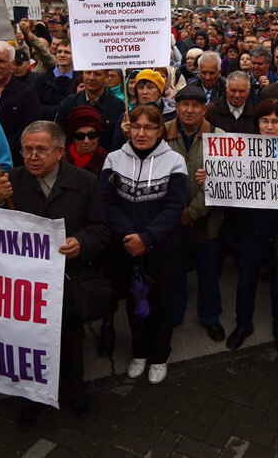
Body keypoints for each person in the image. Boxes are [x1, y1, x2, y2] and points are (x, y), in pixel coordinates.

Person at [0, 121, 110, 427]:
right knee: (27, 340)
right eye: (27, 149)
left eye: (41, 149)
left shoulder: (85, 182)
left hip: (65, 278)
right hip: (23, 280)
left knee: (67, 337)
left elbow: (102, 229)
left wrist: (81, 243)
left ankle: (74, 390)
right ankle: (33, 396)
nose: (33, 156)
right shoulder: (10, 182)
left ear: (59, 152)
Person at [99, 105, 188, 385]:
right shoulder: (113, 158)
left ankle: (160, 354)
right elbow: (108, 202)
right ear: (129, 128)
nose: (141, 133)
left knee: (161, 304)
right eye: (136, 126)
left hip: (161, 249)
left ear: (160, 130)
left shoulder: (174, 161)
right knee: (134, 302)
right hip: (125, 247)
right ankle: (140, 351)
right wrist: (129, 236)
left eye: (149, 127)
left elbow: (175, 207)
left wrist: (147, 239)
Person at [224, 99, 278, 353]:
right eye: (264, 121)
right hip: (248, 230)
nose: (269, 126)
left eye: (275, 121)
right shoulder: (242, 151)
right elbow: (228, 185)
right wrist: (211, 176)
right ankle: (243, 325)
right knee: (245, 283)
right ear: (257, 124)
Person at [165, 86, 226, 340]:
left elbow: (222, 181)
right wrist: (174, 212)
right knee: (174, 271)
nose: (189, 110)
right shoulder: (162, 133)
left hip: (207, 220)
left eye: (196, 105)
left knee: (208, 273)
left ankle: (210, 317)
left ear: (204, 109)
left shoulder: (219, 136)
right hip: (171, 220)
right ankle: (174, 314)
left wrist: (193, 211)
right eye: (184, 104)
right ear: (176, 107)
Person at [56, 69, 124, 150]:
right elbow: (59, 136)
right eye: (88, 73)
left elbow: (117, 141)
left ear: (106, 77)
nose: (91, 78)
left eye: (97, 74)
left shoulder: (118, 105)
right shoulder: (68, 103)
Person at [111, 69, 177, 151]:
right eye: (141, 87)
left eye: (150, 87)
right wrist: (125, 136)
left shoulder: (173, 115)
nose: (144, 92)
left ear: (160, 91)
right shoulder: (127, 118)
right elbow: (115, 150)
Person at [34, 37, 76, 120]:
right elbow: (34, 107)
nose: (62, 55)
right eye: (59, 51)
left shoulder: (79, 80)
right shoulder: (42, 79)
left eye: (67, 52)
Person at [64, 106, 109, 177]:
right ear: (73, 136)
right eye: (80, 136)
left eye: (92, 135)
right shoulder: (61, 158)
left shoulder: (107, 162)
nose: (86, 141)